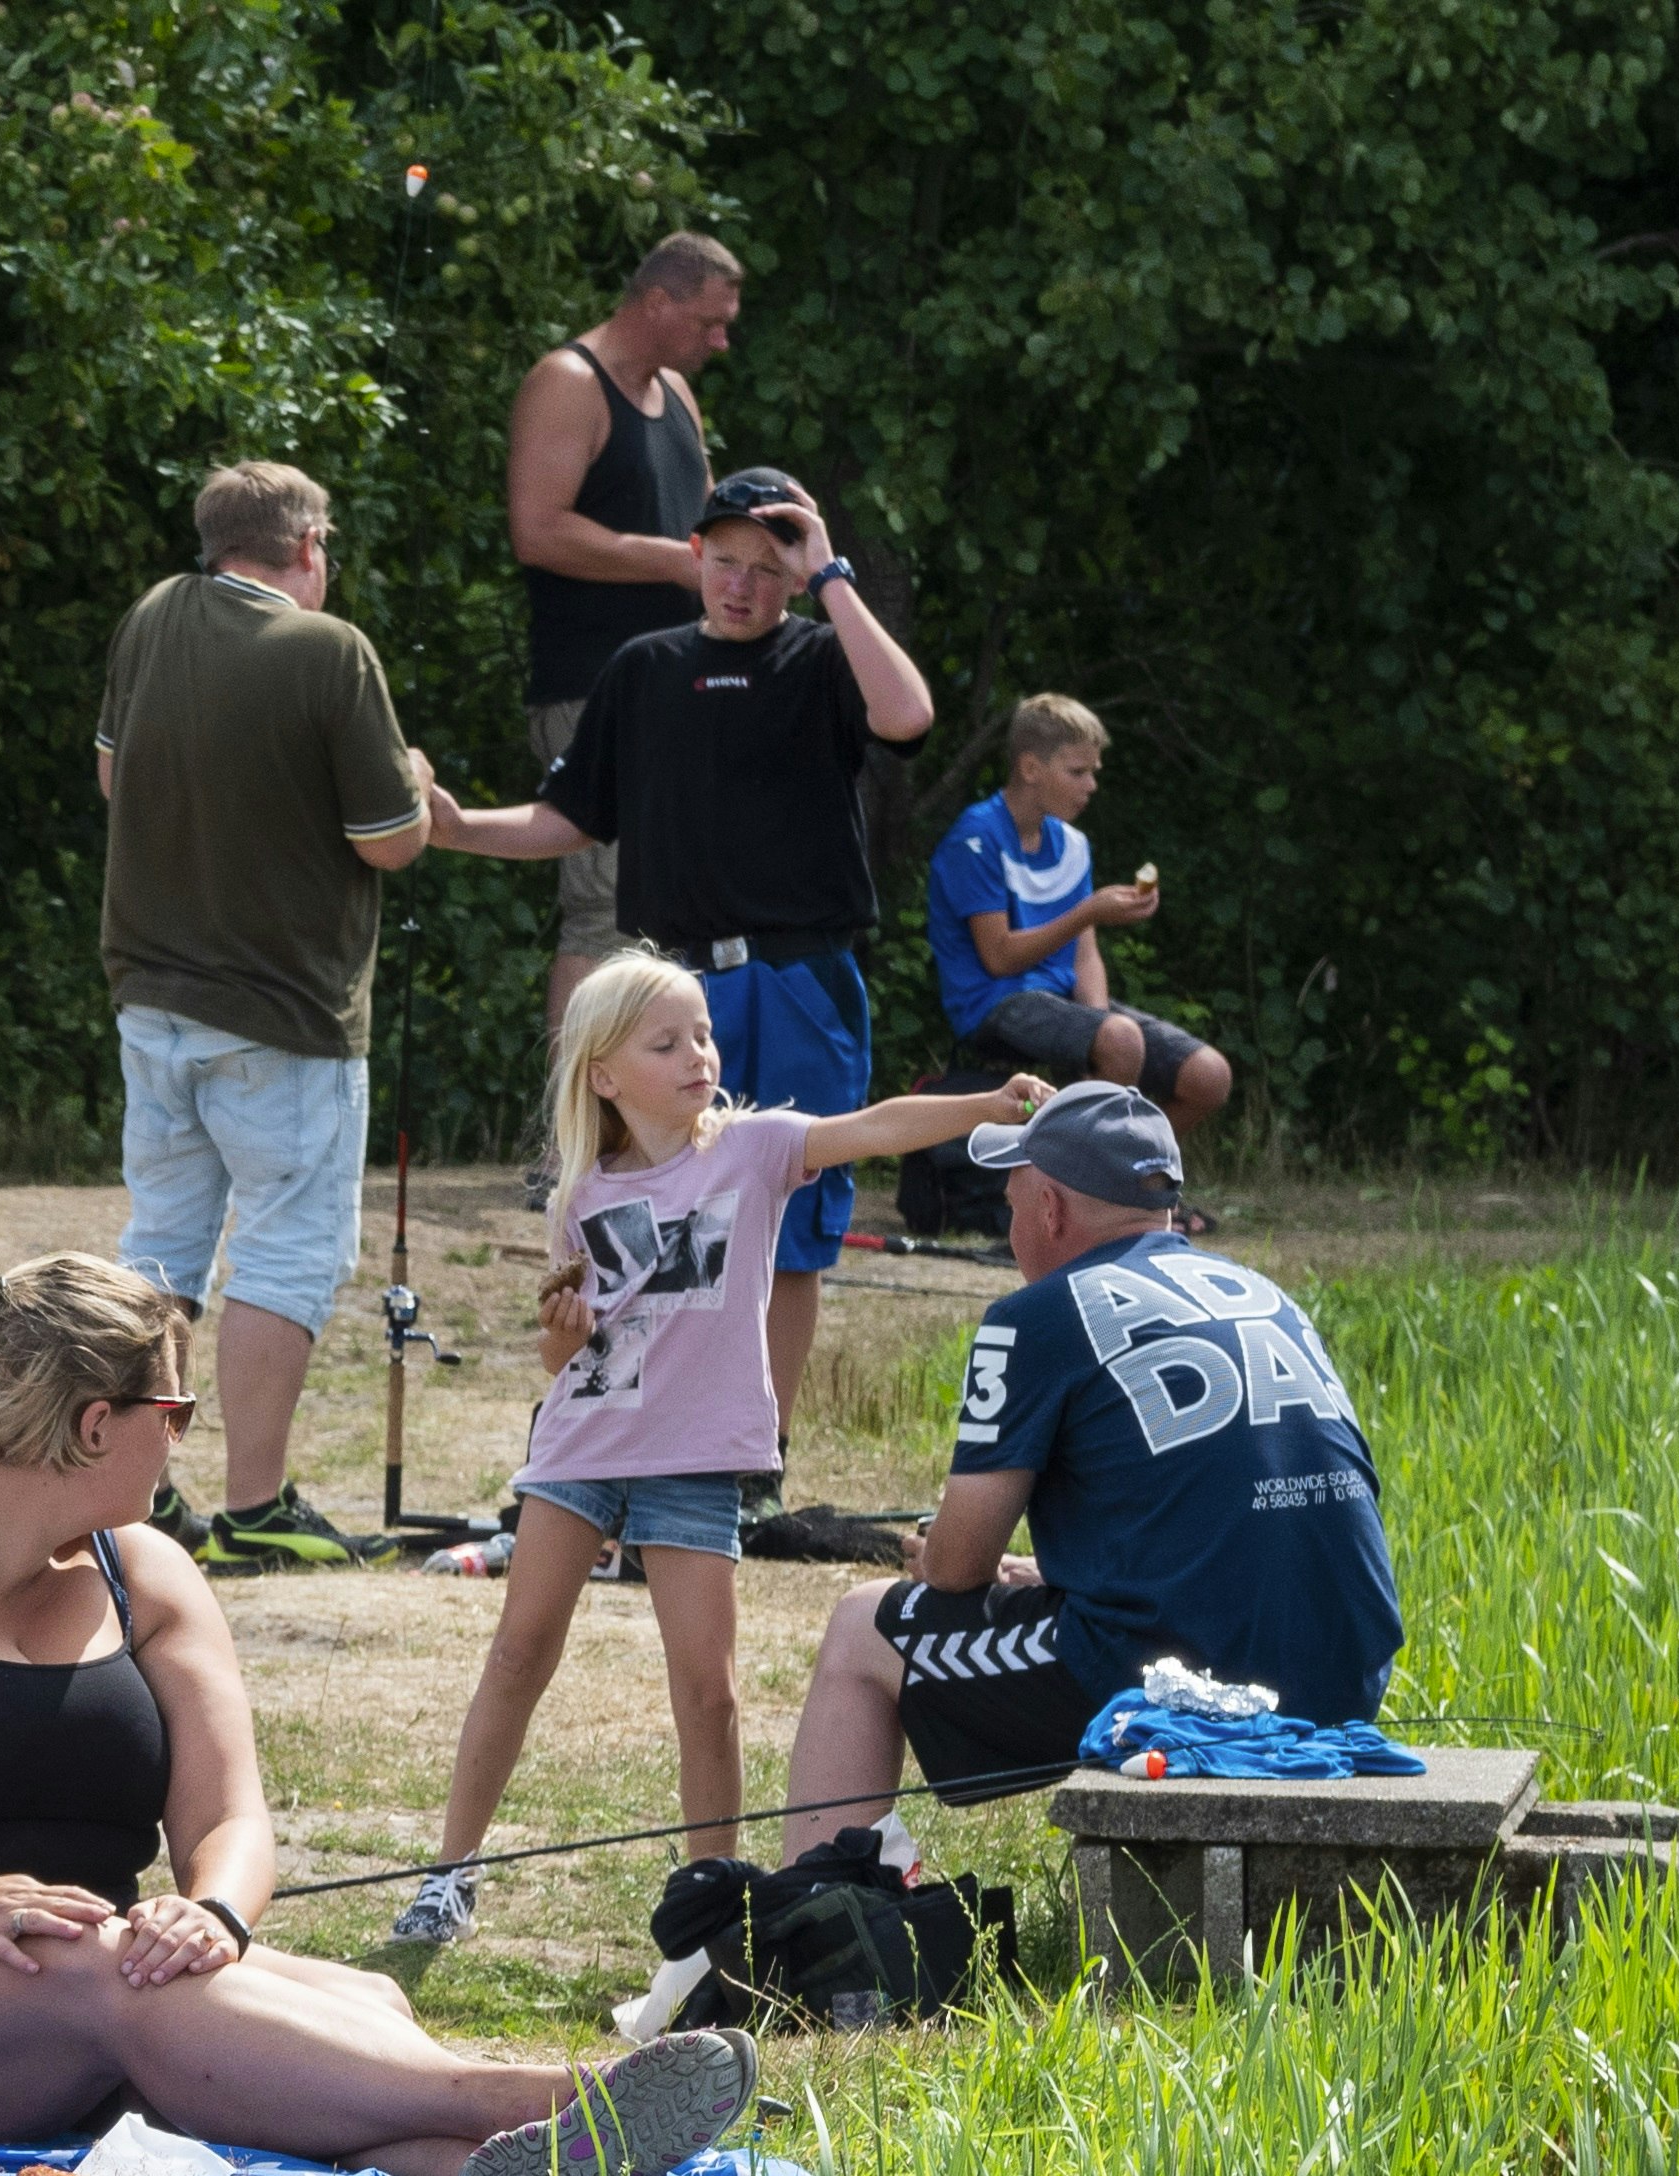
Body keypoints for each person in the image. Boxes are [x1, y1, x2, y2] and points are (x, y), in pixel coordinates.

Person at [0, 1247, 756, 2176]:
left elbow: (231, 1820)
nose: (180, 1444)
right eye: (178, 1414)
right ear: (93, 1424)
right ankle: (539, 2099)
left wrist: (211, 1913)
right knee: (116, 1976)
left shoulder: (145, 1573)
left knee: (362, 2004)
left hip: (97, 1980)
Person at [387, 959, 1045, 1949]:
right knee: (520, 1650)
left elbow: (870, 1126)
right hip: (583, 1446)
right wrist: (561, 1335)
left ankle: (712, 1899)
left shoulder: (752, 1149)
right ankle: (449, 1874)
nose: (698, 1055)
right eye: (667, 1043)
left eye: (701, 1034)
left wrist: (987, 1104)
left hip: (695, 1460)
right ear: (603, 1074)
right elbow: (569, 1354)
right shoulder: (580, 1190)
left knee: (709, 1688)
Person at [422, 466, 934, 1466]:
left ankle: (756, 1455)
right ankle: (640, 1431)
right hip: (667, 986)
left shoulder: (825, 655)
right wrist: (454, 829)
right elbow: (568, 818)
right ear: (694, 557)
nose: (740, 584)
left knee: (787, 1223)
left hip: (796, 977)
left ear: (790, 573)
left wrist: (828, 570)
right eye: (724, 561)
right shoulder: (642, 667)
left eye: (764, 565)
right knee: (644, 1207)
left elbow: (907, 716)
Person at [777, 1088, 1401, 1846]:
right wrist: (1050, 1576)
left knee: (859, 1629)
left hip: (1189, 1678)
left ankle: (821, 1921)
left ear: (1050, 1208)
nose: (1011, 1233)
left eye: (1011, 1207)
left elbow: (954, 1569)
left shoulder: (1033, 1317)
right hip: (1349, 1670)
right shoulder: (1268, 1297)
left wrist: (938, 1549)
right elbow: (1229, 1515)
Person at [94, 461, 436, 1572]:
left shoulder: (152, 615)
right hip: (286, 1011)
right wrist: (415, 783)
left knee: (159, 1253)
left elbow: (112, 778)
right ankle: (256, 1507)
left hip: (150, 995)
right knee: (285, 1257)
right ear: (306, 544)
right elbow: (389, 837)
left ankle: (134, 1494)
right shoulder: (328, 650)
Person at [506, 229, 742, 1032]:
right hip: (592, 690)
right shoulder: (568, 381)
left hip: (684, 685)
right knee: (603, 908)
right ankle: (566, 1146)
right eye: (709, 322)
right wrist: (672, 563)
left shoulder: (675, 391)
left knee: (680, 910)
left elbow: (706, 527)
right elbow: (536, 530)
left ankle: (647, 1136)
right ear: (657, 301)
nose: (721, 340)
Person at [926, 693, 1232, 1137]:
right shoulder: (976, 839)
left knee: (1209, 1076)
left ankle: (1135, 1170)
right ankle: (1093, 1185)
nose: (1091, 786)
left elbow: (1084, 955)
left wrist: (1099, 1022)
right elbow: (998, 958)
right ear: (1031, 769)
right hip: (991, 1003)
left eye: (1094, 772)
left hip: (1058, 998)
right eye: (1077, 772)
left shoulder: (1072, 844)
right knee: (1121, 1038)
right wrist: (1089, 911)